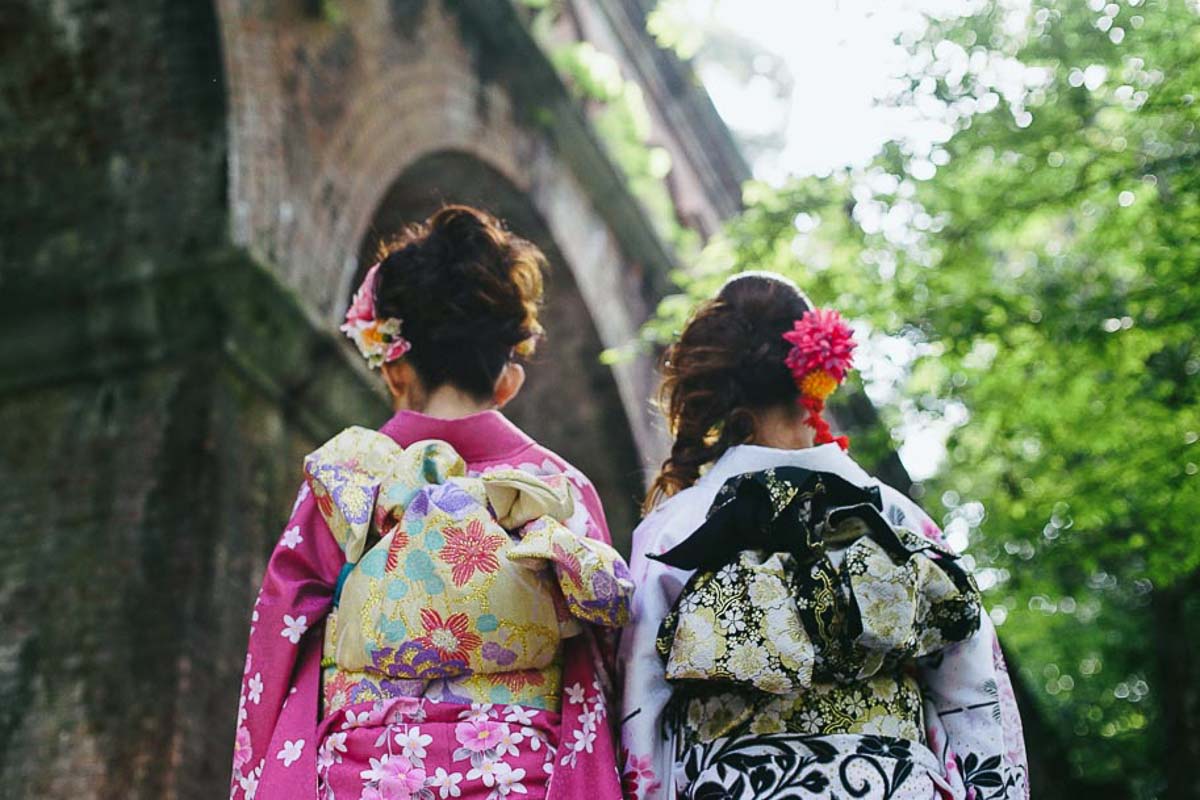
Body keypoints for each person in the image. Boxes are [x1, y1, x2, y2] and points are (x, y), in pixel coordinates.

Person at [230, 205, 633, 800]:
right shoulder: (559, 486)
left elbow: (281, 631)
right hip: (520, 773)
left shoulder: (345, 477)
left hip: (362, 773)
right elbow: (604, 654)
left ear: (393, 365)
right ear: (507, 380)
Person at [618, 272, 1028, 800]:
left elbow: (639, 709)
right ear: (818, 373)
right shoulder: (899, 518)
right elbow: (974, 692)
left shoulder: (673, 530)